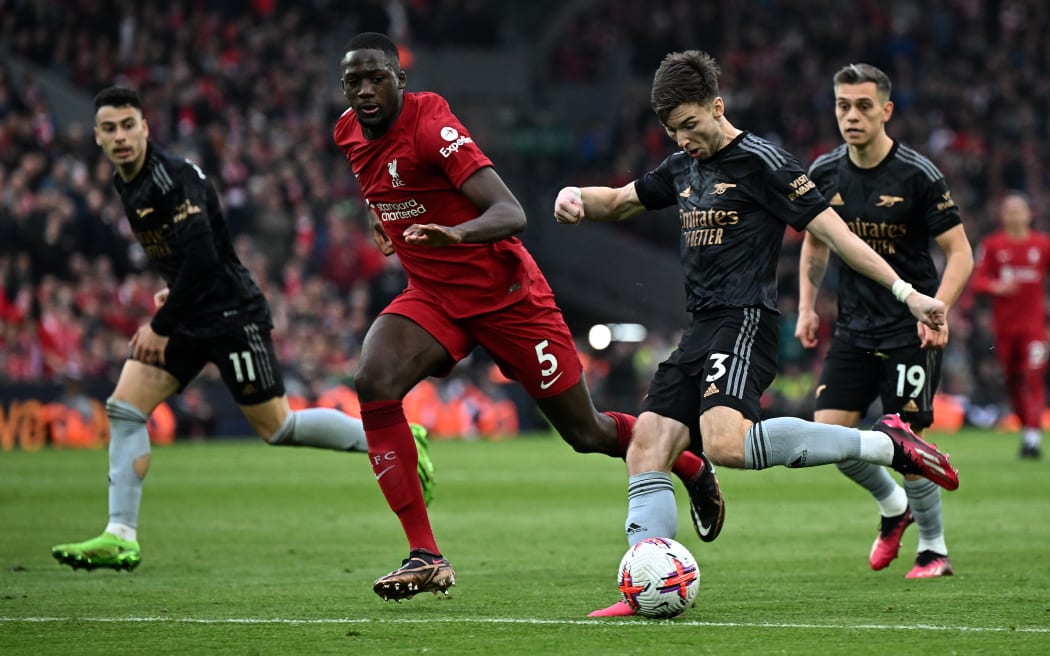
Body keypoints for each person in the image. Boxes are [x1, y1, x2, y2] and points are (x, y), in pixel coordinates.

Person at [552, 50, 960, 616]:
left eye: (692, 125)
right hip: (700, 327)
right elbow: (621, 200)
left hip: (746, 321)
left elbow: (836, 236)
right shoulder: (682, 166)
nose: (685, 139)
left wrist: (908, 293)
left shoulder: (764, 161)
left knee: (724, 442)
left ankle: (891, 445)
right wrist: (577, 199)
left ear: (717, 106)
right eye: (674, 131)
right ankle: (648, 582)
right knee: (647, 444)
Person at [334, 32, 725, 604]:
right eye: (354, 82)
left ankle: (687, 461)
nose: (365, 91)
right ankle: (426, 554)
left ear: (400, 79)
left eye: (376, 78)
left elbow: (510, 211)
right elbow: (382, 184)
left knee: (585, 433)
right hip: (436, 296)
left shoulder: (430, 126)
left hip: (507, 297)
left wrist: (455, 234)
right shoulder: (346, 131)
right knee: (373, 380)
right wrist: (380, 219)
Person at [51, 86, 435, 572]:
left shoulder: (174, 178)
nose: (121, 136)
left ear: (145, 127)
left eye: (129, 125)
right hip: (192, 312)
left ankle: (395, 436)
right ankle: (120, 534)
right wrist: (175, 293)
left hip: (232, 316)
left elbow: (204, 255)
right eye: (110, 129)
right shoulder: (126, 181)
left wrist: (161, 322)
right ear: (97, 137)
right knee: (125, 408)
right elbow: (188, 257)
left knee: (279, 428)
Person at [795, 63, 973, 579]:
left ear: (886, 111)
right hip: (853, 327)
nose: (851, 115)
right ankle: (893, 507)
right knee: (826, 438)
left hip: (908, 328)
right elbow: (814, 240)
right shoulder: (824, 172)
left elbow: (959, 252)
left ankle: (934, 550)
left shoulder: (917, 175)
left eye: (863, 106)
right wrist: (807, 306)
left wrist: (937, 307)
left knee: (904, 441)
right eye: (842, 106)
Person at [971, 192, 1050, 459]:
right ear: (1002, 215)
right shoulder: (993, 246)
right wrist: (996, 286)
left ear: (1029, 214)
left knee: (1033, 376)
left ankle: (1032, 438)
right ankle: (1026, 430)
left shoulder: (1042, 245)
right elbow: (977, 281)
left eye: (1019, 211)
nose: (1015, 216)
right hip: (1005, 329)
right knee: (1013, 381)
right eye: (1009, 211)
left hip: (1034, 328)